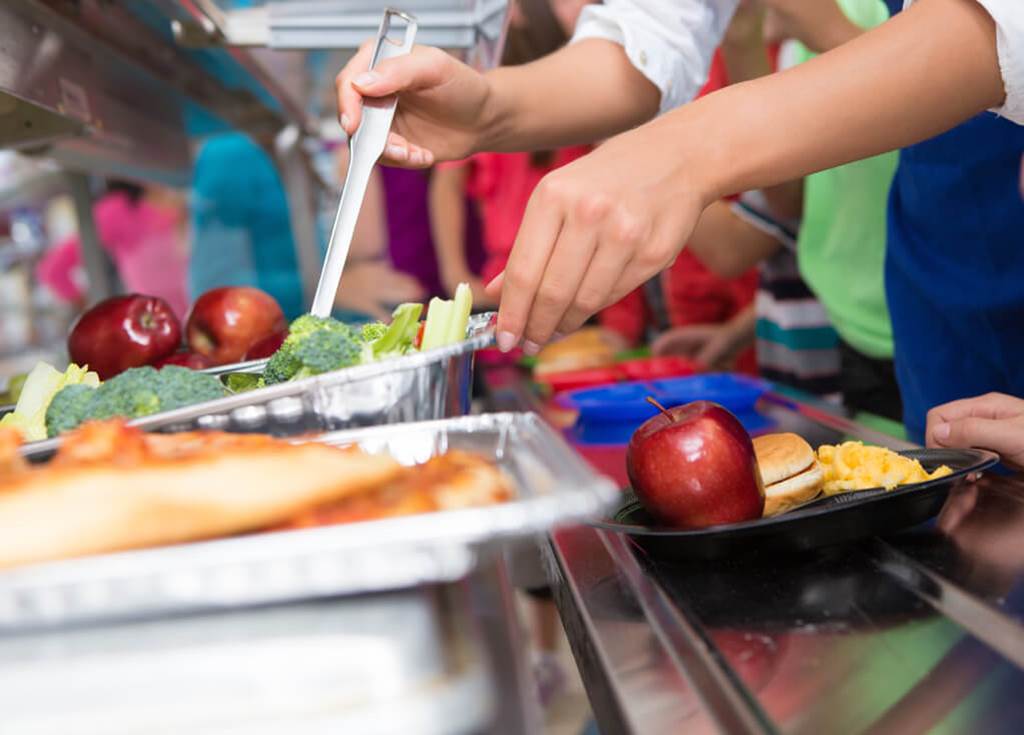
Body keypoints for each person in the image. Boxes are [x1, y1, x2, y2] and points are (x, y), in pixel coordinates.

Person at [336, 0, 1022, 436]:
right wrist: (494, 108)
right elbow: (659, 29)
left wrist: (687, 151)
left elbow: (1000, 25)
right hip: (940, 273)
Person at [37, 180, 190, 318]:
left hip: (204, 321)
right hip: (157, 333)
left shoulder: (192, 197)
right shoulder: (118, 211)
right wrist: (96, 314)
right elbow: (54, 270)